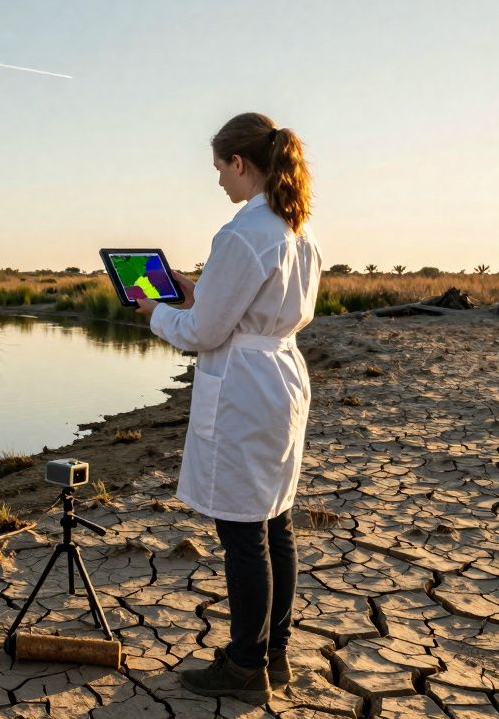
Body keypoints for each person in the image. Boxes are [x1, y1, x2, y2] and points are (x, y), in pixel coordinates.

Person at [135, 112, 321, 705]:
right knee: (275, 520)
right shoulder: (298, 230)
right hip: (283, 378)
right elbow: (238, 305)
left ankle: (244, 666)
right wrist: (199, 291)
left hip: (244, 387)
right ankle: (275, 653)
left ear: (240, 163)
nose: (218, 181)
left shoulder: (242, 232)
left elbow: (204, 332)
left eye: (219, 168)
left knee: (243, 532)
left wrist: (156, 312)